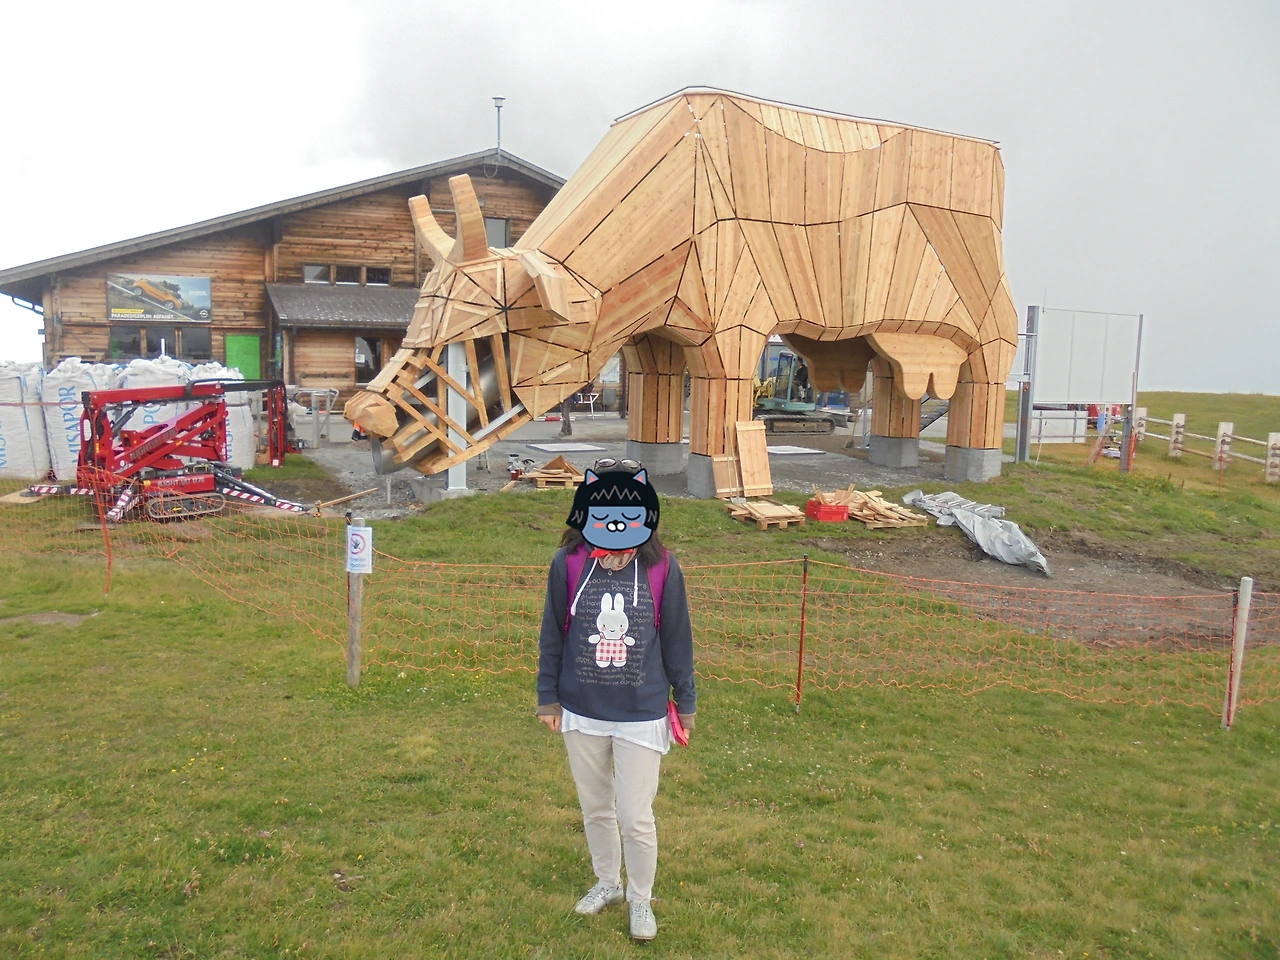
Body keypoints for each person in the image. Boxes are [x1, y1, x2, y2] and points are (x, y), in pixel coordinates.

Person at [536, 458, 696, 942]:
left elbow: (677, 640)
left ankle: (640, 899)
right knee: (596, 809)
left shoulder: (663, 567)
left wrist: (684, 701)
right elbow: (552, 635)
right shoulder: (567, 563)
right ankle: (607, 883)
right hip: (581, 711)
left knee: (634, 815)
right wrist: (548, 699)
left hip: (641, 713)